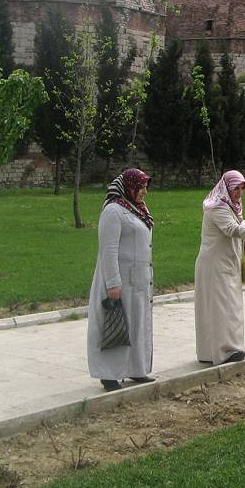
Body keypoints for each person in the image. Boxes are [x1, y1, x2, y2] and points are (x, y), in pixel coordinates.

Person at [194, 171, 245, 365]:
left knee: (230, 307)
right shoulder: (217, 207)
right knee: (219, 308)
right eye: (235, 188)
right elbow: (233, 229)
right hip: (215, 265)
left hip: (227, 263)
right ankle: (221, 351)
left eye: (241, 189)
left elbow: (240, 224)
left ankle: (228, 348)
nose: (238, 193)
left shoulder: (233, 206)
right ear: (227, 188)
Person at [87, 168, 155, 392]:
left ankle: (136, 369)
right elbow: (108, 250)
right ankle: (109, 374)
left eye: (146, 187)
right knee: (116, 327)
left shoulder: (138, 210)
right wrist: (113, 283)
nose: (144, 191)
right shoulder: (113, 211)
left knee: (136, 325)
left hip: (138, 280)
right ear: (129, 187)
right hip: (120, 281)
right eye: (141, 186)